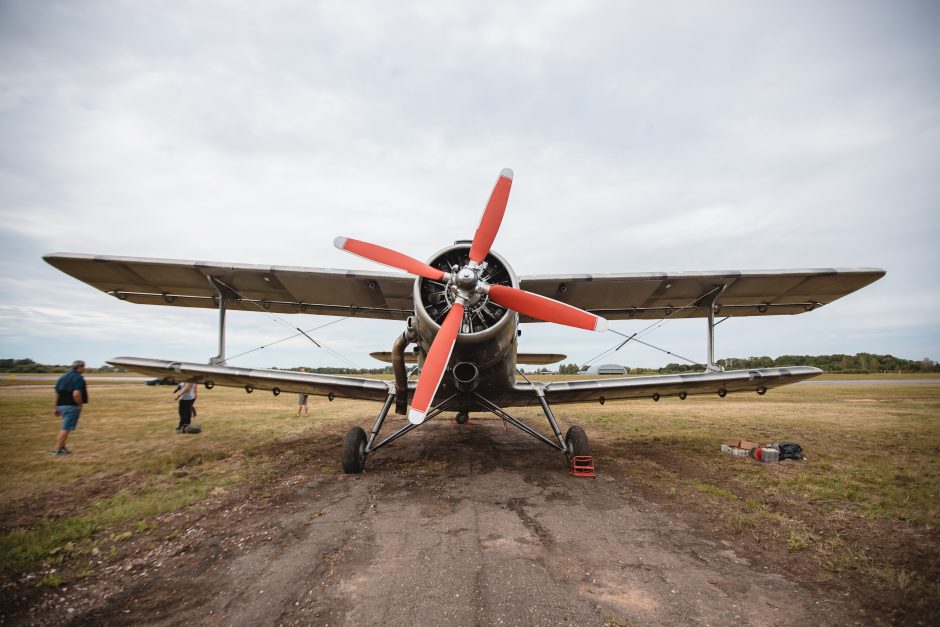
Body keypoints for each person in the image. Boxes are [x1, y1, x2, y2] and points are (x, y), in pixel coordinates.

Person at [52, 360, 88, 456]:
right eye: (84, 367)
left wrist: (56, 407)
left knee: (65, 426)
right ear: (79, 367)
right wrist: (79, 405)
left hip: (61, 405)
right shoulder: (78, 378)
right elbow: (76, 394)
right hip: (71, 406)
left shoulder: (63, 377)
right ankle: (56, 450)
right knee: (66, 428)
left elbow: (57, 393)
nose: (85, 368)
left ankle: (62, 447)